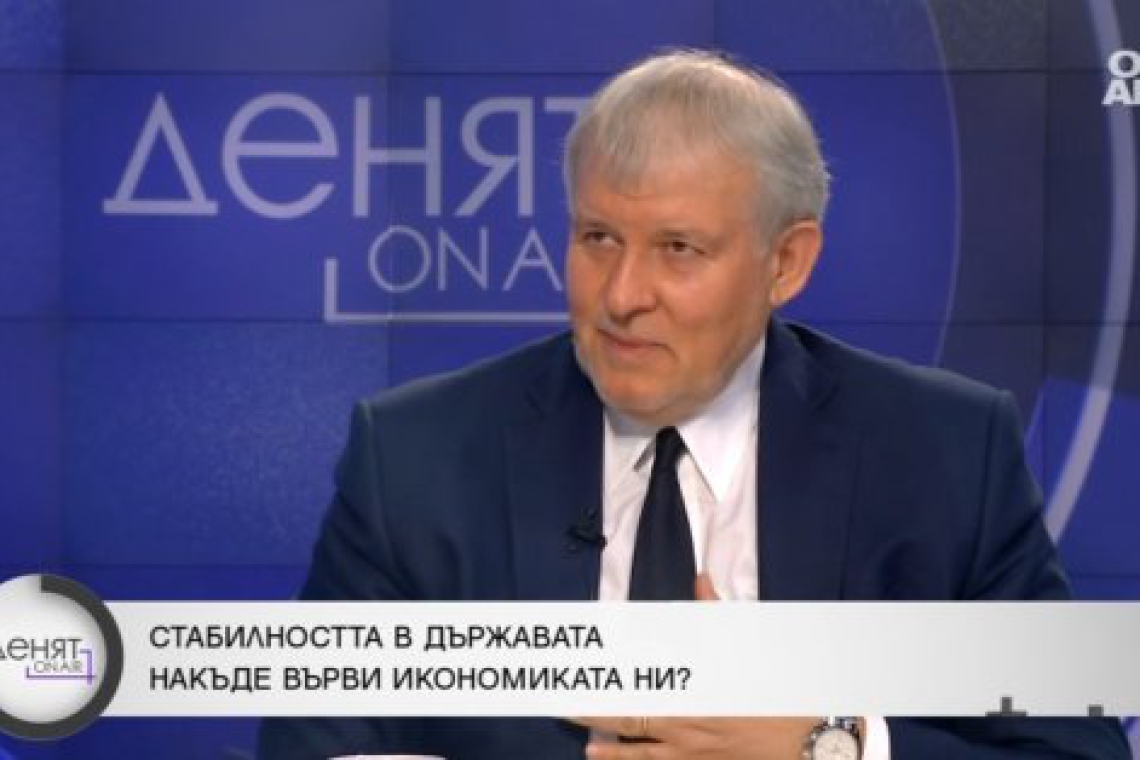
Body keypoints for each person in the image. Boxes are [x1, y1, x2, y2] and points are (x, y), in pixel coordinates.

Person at [259, 50, 1130, 759]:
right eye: (598, 238)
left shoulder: (944, 453)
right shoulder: (414, 457)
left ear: (786, 263)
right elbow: (316, 745)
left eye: (678, 248)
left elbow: (1073, 752)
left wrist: (826, 744)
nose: (622, 295)